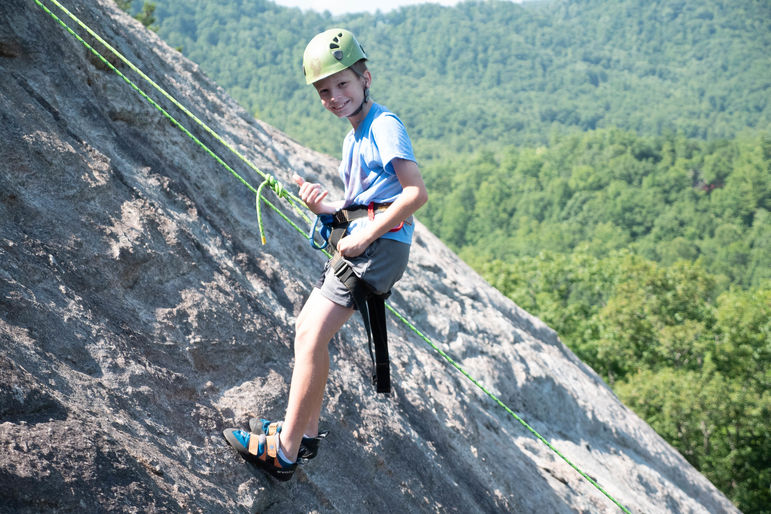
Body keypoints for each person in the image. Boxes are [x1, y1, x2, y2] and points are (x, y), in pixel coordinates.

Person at [224, 28, 428, 481]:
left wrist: (364, 234)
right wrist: (325, 206)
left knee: (312, 333)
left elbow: (415, 193)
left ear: (365, 78)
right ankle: (306, 431)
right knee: (307, 330)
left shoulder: (383, 125)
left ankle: (286, 450)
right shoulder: (354, 137)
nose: (335, 96)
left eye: (343, 85)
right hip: (370, 240)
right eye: (324, 91)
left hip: (380, 245)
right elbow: (368, 199)